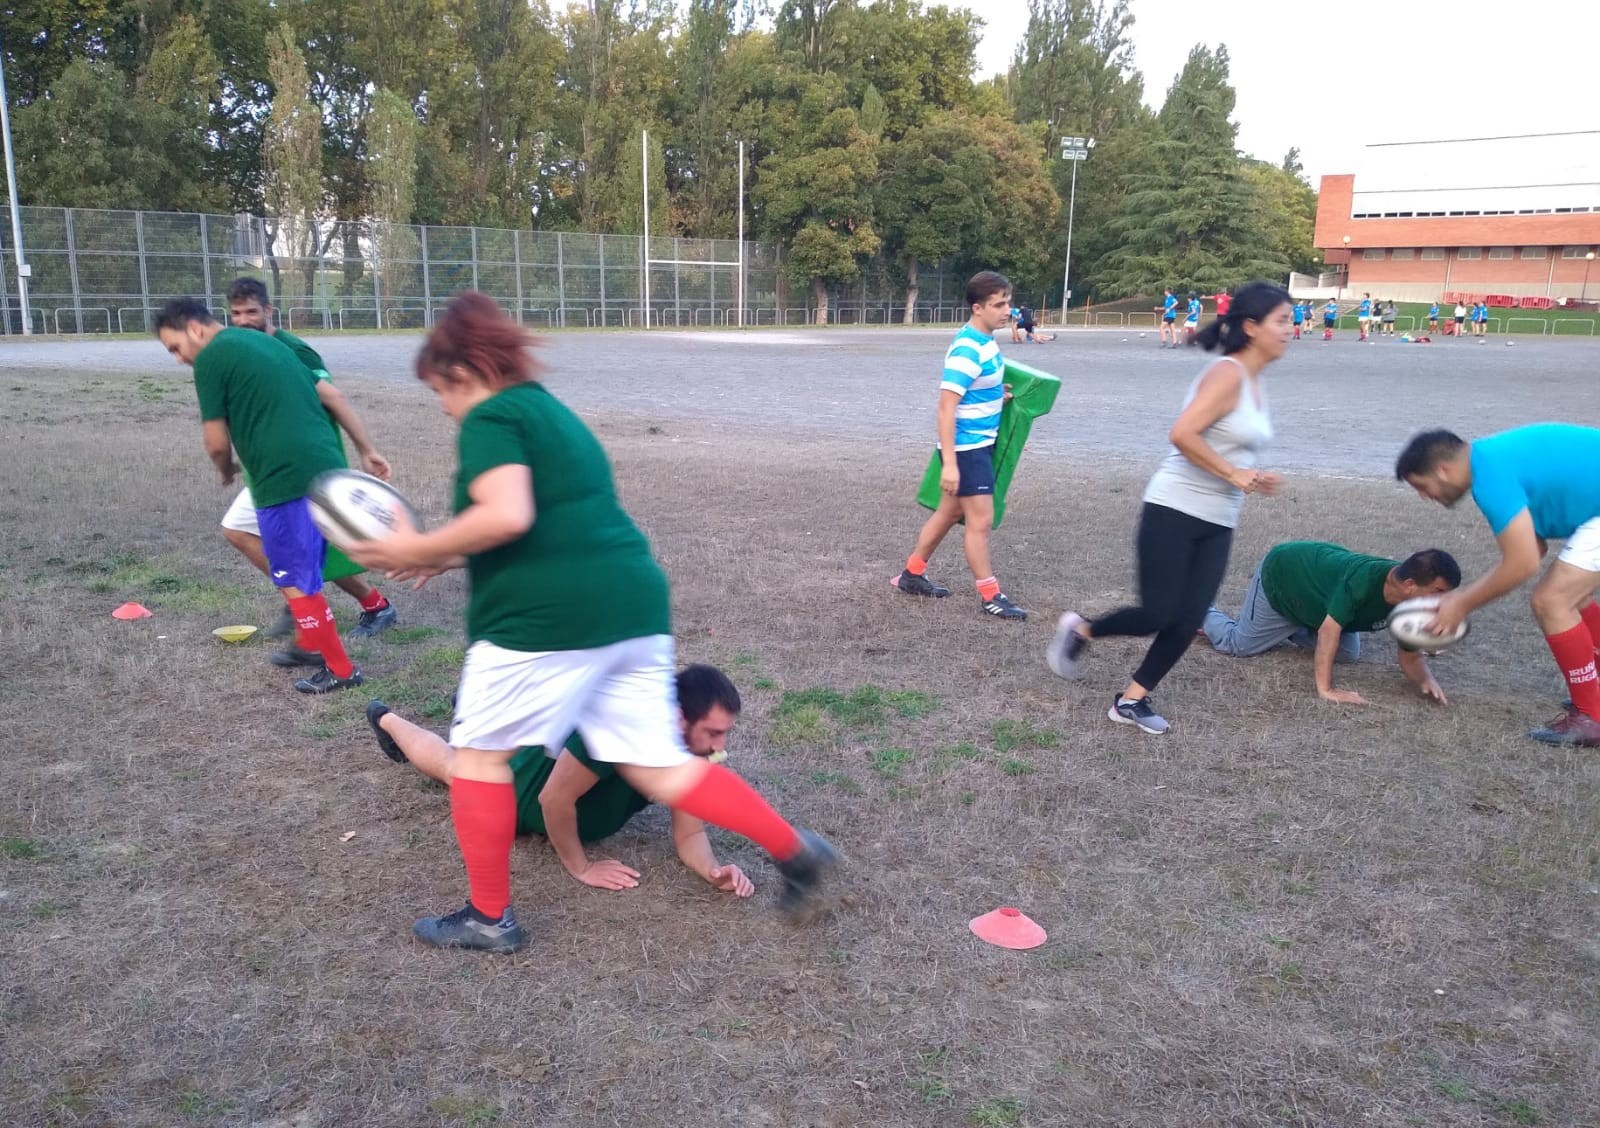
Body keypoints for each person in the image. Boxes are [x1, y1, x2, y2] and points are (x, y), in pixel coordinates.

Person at [345, 292, 836, 952]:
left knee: (480, 761)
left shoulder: (492, 415)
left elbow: (509, 514)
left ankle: (490, 917)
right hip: (634, 607)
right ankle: (793, 848)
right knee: (659, 766)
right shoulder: (555, 416)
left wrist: (413, 547)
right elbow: (548, 525)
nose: (444, 406)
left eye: (441, 391)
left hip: (546, 621)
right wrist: (447, 554)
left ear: (463, 371)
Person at [1045, 281, 1291, 735]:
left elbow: (1231, 446)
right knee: (1159, 612)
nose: (1291, 330)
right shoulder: (1227, 374)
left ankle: (1131, 701)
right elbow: (1183, 434)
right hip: (1174, 508)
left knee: (1191, 615)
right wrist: (1234, 474)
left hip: (1220, 519)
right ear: (1252, 326)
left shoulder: (1255, 383)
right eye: (1282, 321)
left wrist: (1254, 474)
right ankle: (1082, 629)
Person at [367, 665, 756, 897]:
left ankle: (476, 714)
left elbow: (689, 836)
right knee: (455, 769)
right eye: (713, 732)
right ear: (678, 717)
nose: (720, 746)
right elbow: (553, 799)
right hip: (521, 791)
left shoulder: (692, 756)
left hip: (544, 749)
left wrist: (712, 870)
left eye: (724, 734)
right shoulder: (616, 732)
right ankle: (386, 718)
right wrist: (581, 867)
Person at [156, 298, 365, 694]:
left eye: (175, 348)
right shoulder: (269, 343)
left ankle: (340, 668)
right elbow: (328, 396)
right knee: (302, 574)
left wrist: (225, 470)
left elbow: (216, 443)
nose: (179, 358)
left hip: (282, 478)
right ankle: (312, 643)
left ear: (195, 330)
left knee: (292, 578)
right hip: (323, 463)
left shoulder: (213, 358)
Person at [221, 278, 400, 660]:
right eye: (236, 313)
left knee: (314, 552)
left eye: (251, 311)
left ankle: (338, 608)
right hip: (269, 469)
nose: (243, 320)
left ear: (269, 311)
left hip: (302, 468)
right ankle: (308, 600)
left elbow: (332, 396)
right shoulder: (244, 349)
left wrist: (367, 450)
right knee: (244, 533)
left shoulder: (291, 350)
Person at [1397, 425, 1600, 747]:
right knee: (1573, 597)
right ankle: (1594, 696)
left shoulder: (1490, 475)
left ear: (1443, 470)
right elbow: (1534, 548)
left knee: (1552, 602)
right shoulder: (1493, 460)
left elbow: (1524, 563)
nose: (1425, 497)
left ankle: (1591, 716)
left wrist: (1460, 604)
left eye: (1422, 486)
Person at [892, 270, 1029, 620]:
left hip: (976, 445)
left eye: (1008, 303)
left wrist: (997, 397)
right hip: (967, 450)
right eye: (999, 305)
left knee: (949, 512)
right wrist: (951, 464)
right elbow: (946, 407)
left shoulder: (985, 343)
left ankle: (912, 573)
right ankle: (990, 595)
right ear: (977, 307)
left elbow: (970, 393)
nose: (1007, 311)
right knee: (980, 521)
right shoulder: (968, 348)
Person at [1202, 542, 1460, 704]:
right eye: (1438, 592)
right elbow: (1329, 631)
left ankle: (1288, 630)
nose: (1444, 601)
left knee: (1348, 653)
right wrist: (1327, 690)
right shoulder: (1362, 581)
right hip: (1284, 579)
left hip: (1318, 599)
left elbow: (1410, 657)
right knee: (1237, 644)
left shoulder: (1409, 603)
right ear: (1410, 585)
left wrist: (1426, 680)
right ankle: (1197, 610)